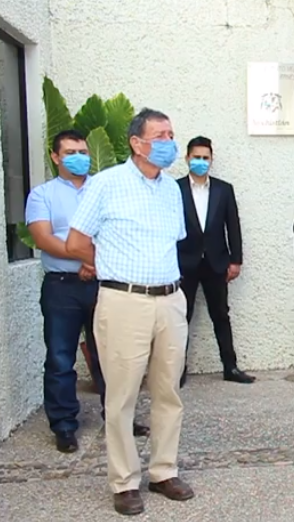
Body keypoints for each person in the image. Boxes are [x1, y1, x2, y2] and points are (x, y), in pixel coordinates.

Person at [66, 108, 193, 516]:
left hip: (170, 299)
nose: (169, 142)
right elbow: (75, 242)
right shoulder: (105, 184)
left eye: (171, 133)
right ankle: (124, 481)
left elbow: (173, 241)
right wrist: (110, 263)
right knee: (121, 396)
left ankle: (163, 471)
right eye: (161, 135)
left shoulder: (172, 189)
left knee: (168, 391)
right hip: (124, 300)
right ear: (137, 143)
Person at [25, 130, 148, 454]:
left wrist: (94, 263)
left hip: (103, 284)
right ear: (55, 157)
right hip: (62, 287)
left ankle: (119, 418)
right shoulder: (43, 195)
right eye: (70, 152)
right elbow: (44, 238)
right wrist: (87, 257)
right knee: (60, 357)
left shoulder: (105, 189)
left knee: (113, 356)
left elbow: (120, 231)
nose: (79, 157)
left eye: (83, 151)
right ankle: (64, 425)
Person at [176, 136, 255, 386]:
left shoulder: (223, 189)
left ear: (212, 160)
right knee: (180, 317)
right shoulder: (174, 189)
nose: (201, 162)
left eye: (205, 158)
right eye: (196, 157)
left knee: (221, 315)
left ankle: (230, 367)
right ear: (187, 158)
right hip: (184, 263)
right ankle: (177, 370)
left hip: (216, 262)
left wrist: (236, 260)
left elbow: (233, 226)